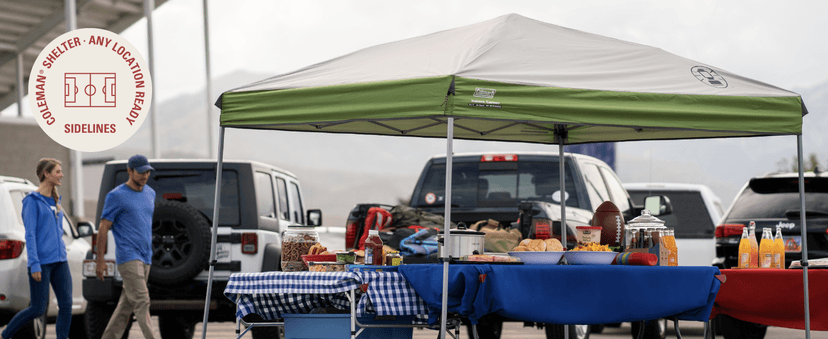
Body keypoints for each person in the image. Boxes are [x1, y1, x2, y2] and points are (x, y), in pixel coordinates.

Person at [1, 158, 73, 339]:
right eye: (57, 172)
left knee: (66, 305)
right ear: (46, 174)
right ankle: (6, 334)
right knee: (37, 308)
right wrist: (34, 264)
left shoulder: (55, 200)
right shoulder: (32, 201)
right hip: (42, 262)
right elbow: (30, 235)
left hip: (60, 261)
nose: (61, 175)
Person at [95, 155, 157, 339]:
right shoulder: (116, 196)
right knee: (142, 301)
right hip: (128, 256)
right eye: (140, 172)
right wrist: (100, 260)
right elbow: (103, 228)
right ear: (129, 171)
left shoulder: (150, 193)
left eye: (147, 172)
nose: (145, 176)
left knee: (126, 306)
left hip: (146, 256)